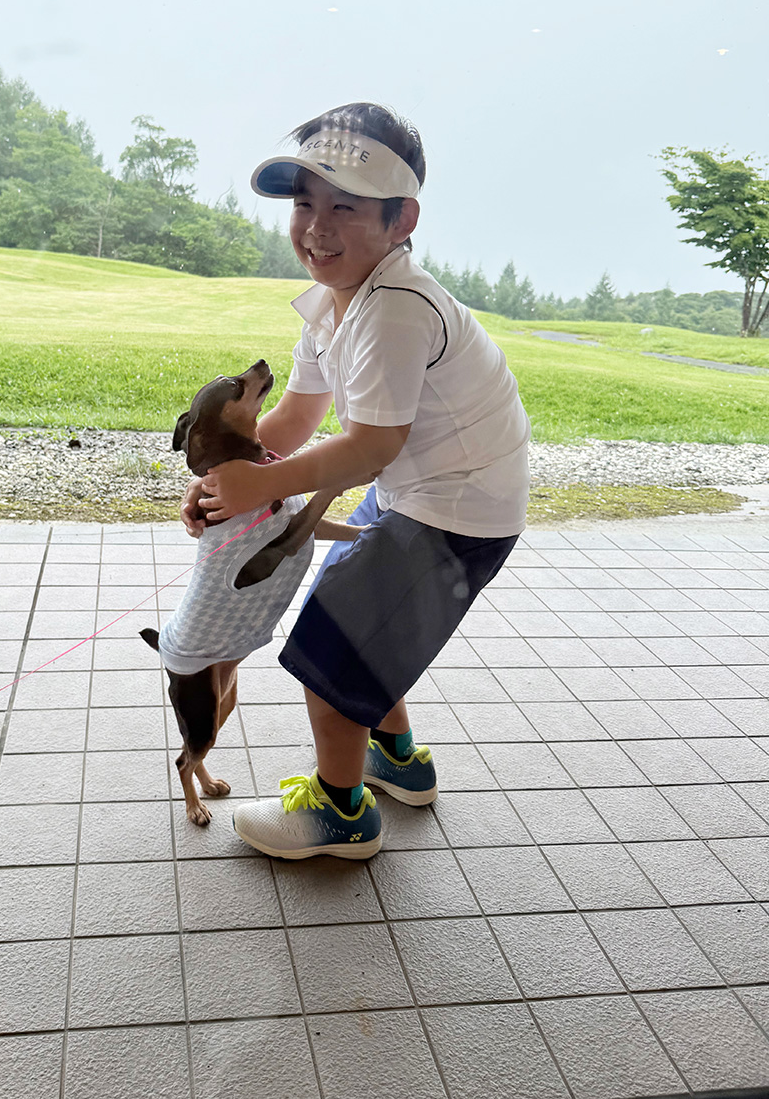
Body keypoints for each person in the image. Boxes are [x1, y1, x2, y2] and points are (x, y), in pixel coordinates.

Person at [185, 102, 530, 859]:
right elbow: (298, 421)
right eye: (304, 202)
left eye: (345, 205)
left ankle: (342, 814)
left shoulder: (396, 308)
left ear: (401, 217)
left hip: (456, 507)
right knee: (365, 623)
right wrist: (226, 477)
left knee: (332, 646)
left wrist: (254, 488)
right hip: (422, 489)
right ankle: (397, 760)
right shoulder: (333, 307)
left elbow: (369, 447)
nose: (317, 225)